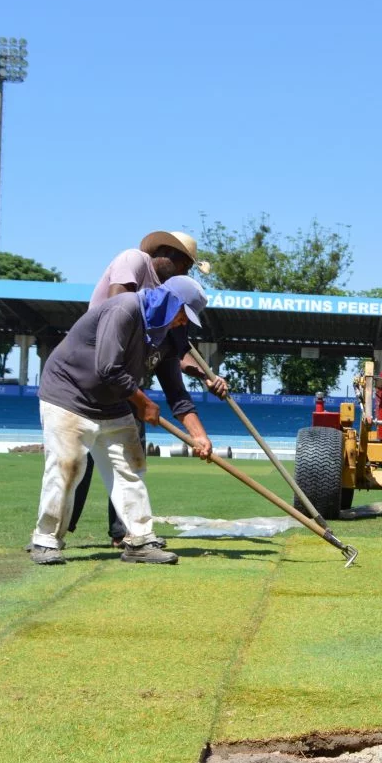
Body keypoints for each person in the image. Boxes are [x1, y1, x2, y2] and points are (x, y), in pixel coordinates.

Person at [29, 277, 215, 566]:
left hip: (113, 403)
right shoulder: (125, 310)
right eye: (182, 314)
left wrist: (198, 435)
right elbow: (108, 367)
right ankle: (46, 541)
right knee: (67, 467)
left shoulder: (170, 334)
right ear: (170, 303)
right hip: (69, 395)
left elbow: (176, 391)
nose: (182, 322)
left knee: (131, 467)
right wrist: (144, 403)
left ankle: (140, 540)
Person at [68, 231, 228, 545]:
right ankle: (55, 531)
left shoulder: (169, 305)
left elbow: (174, 374)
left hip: (126, 383)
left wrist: (203, 385)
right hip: (94, 376)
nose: (186, 272)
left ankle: (126, 532)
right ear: (166, 253)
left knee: (131, 460)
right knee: (76, 462)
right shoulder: (135, 264)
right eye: (185, 264)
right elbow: (116, 316)